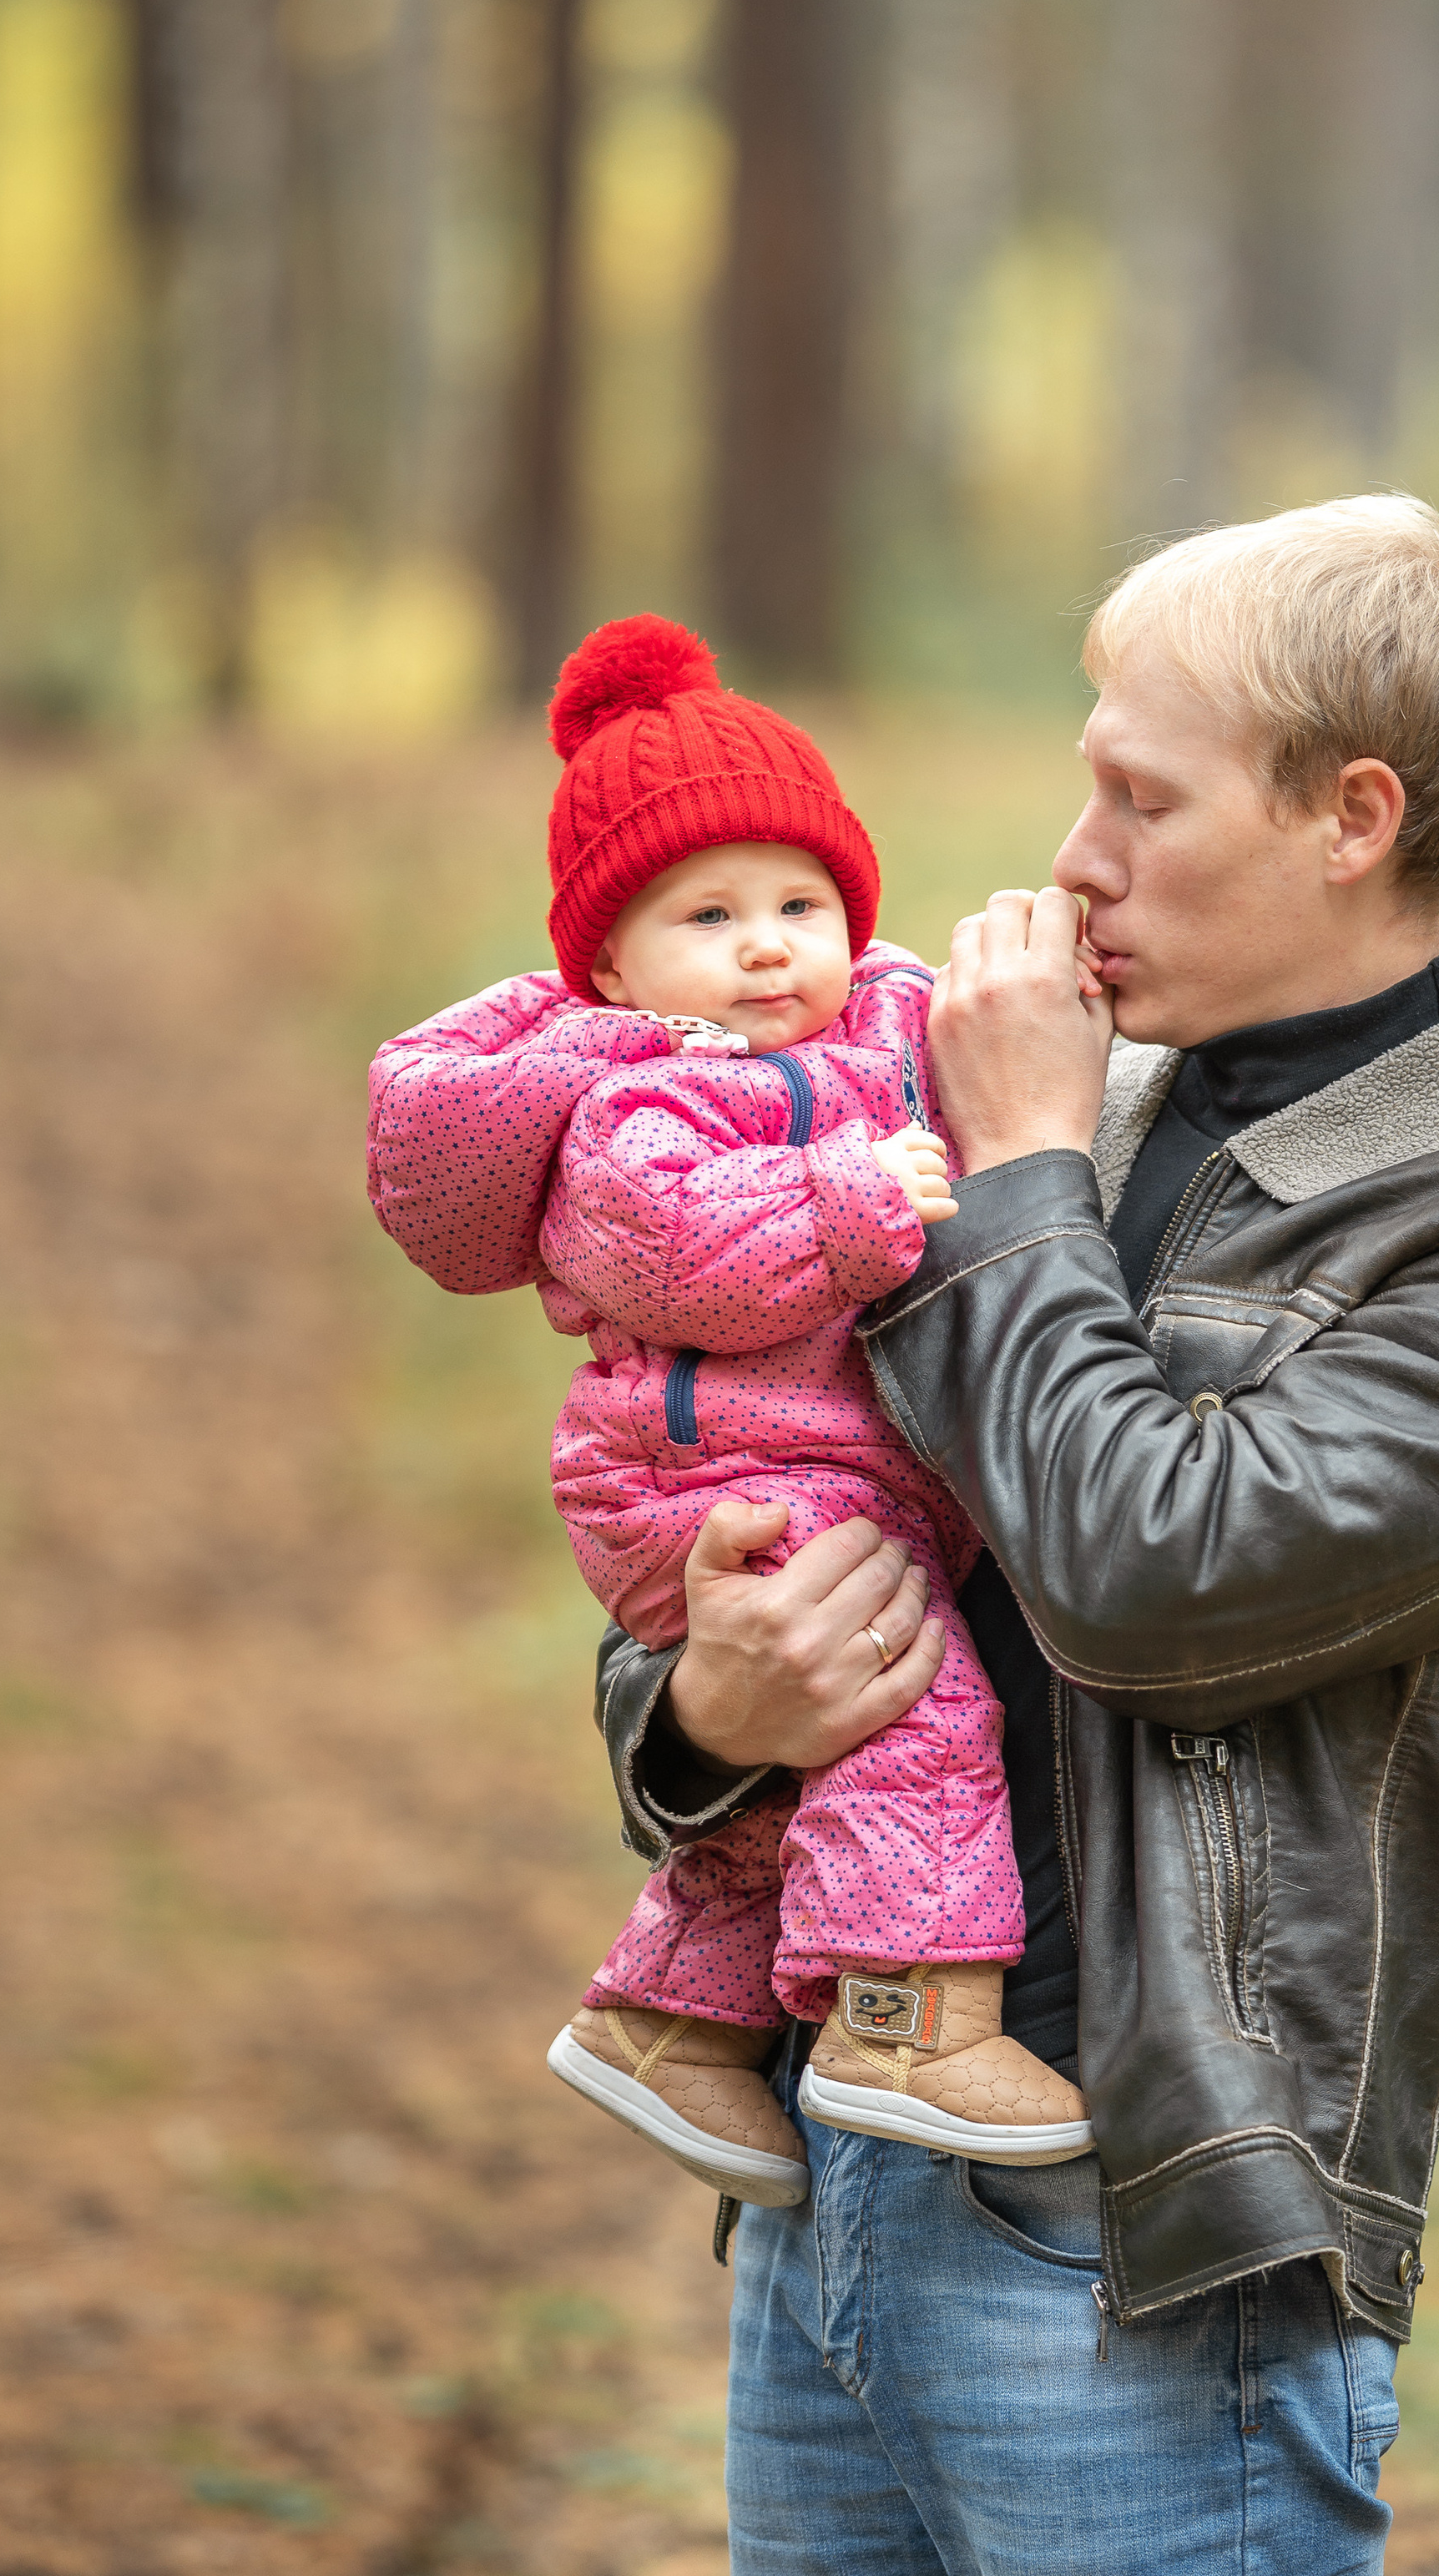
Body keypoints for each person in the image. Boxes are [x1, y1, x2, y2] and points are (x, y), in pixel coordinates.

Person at [596, 497, 1439, 2575]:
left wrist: (1011, 1169)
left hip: (1134, 2234)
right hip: (838, 2151)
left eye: (1138, 796)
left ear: (1348, 817)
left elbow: (1147, 1581)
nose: (1072, 855)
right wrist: (698, 1713)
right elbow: (723, 1522)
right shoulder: (1035, 1115)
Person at [366, 614, 1092, 2214]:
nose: (769, 945)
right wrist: (844, 1204)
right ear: (611, 965)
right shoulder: (641, 1093)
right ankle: (909, 2020)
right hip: (708, 1481)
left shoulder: (874, 1034)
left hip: (813, 1465)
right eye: (709, 914)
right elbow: (672, 1252)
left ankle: (669, 2028)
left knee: (796, 1790)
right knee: (917, 1708)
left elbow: (986, 1039)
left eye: (801, 902)